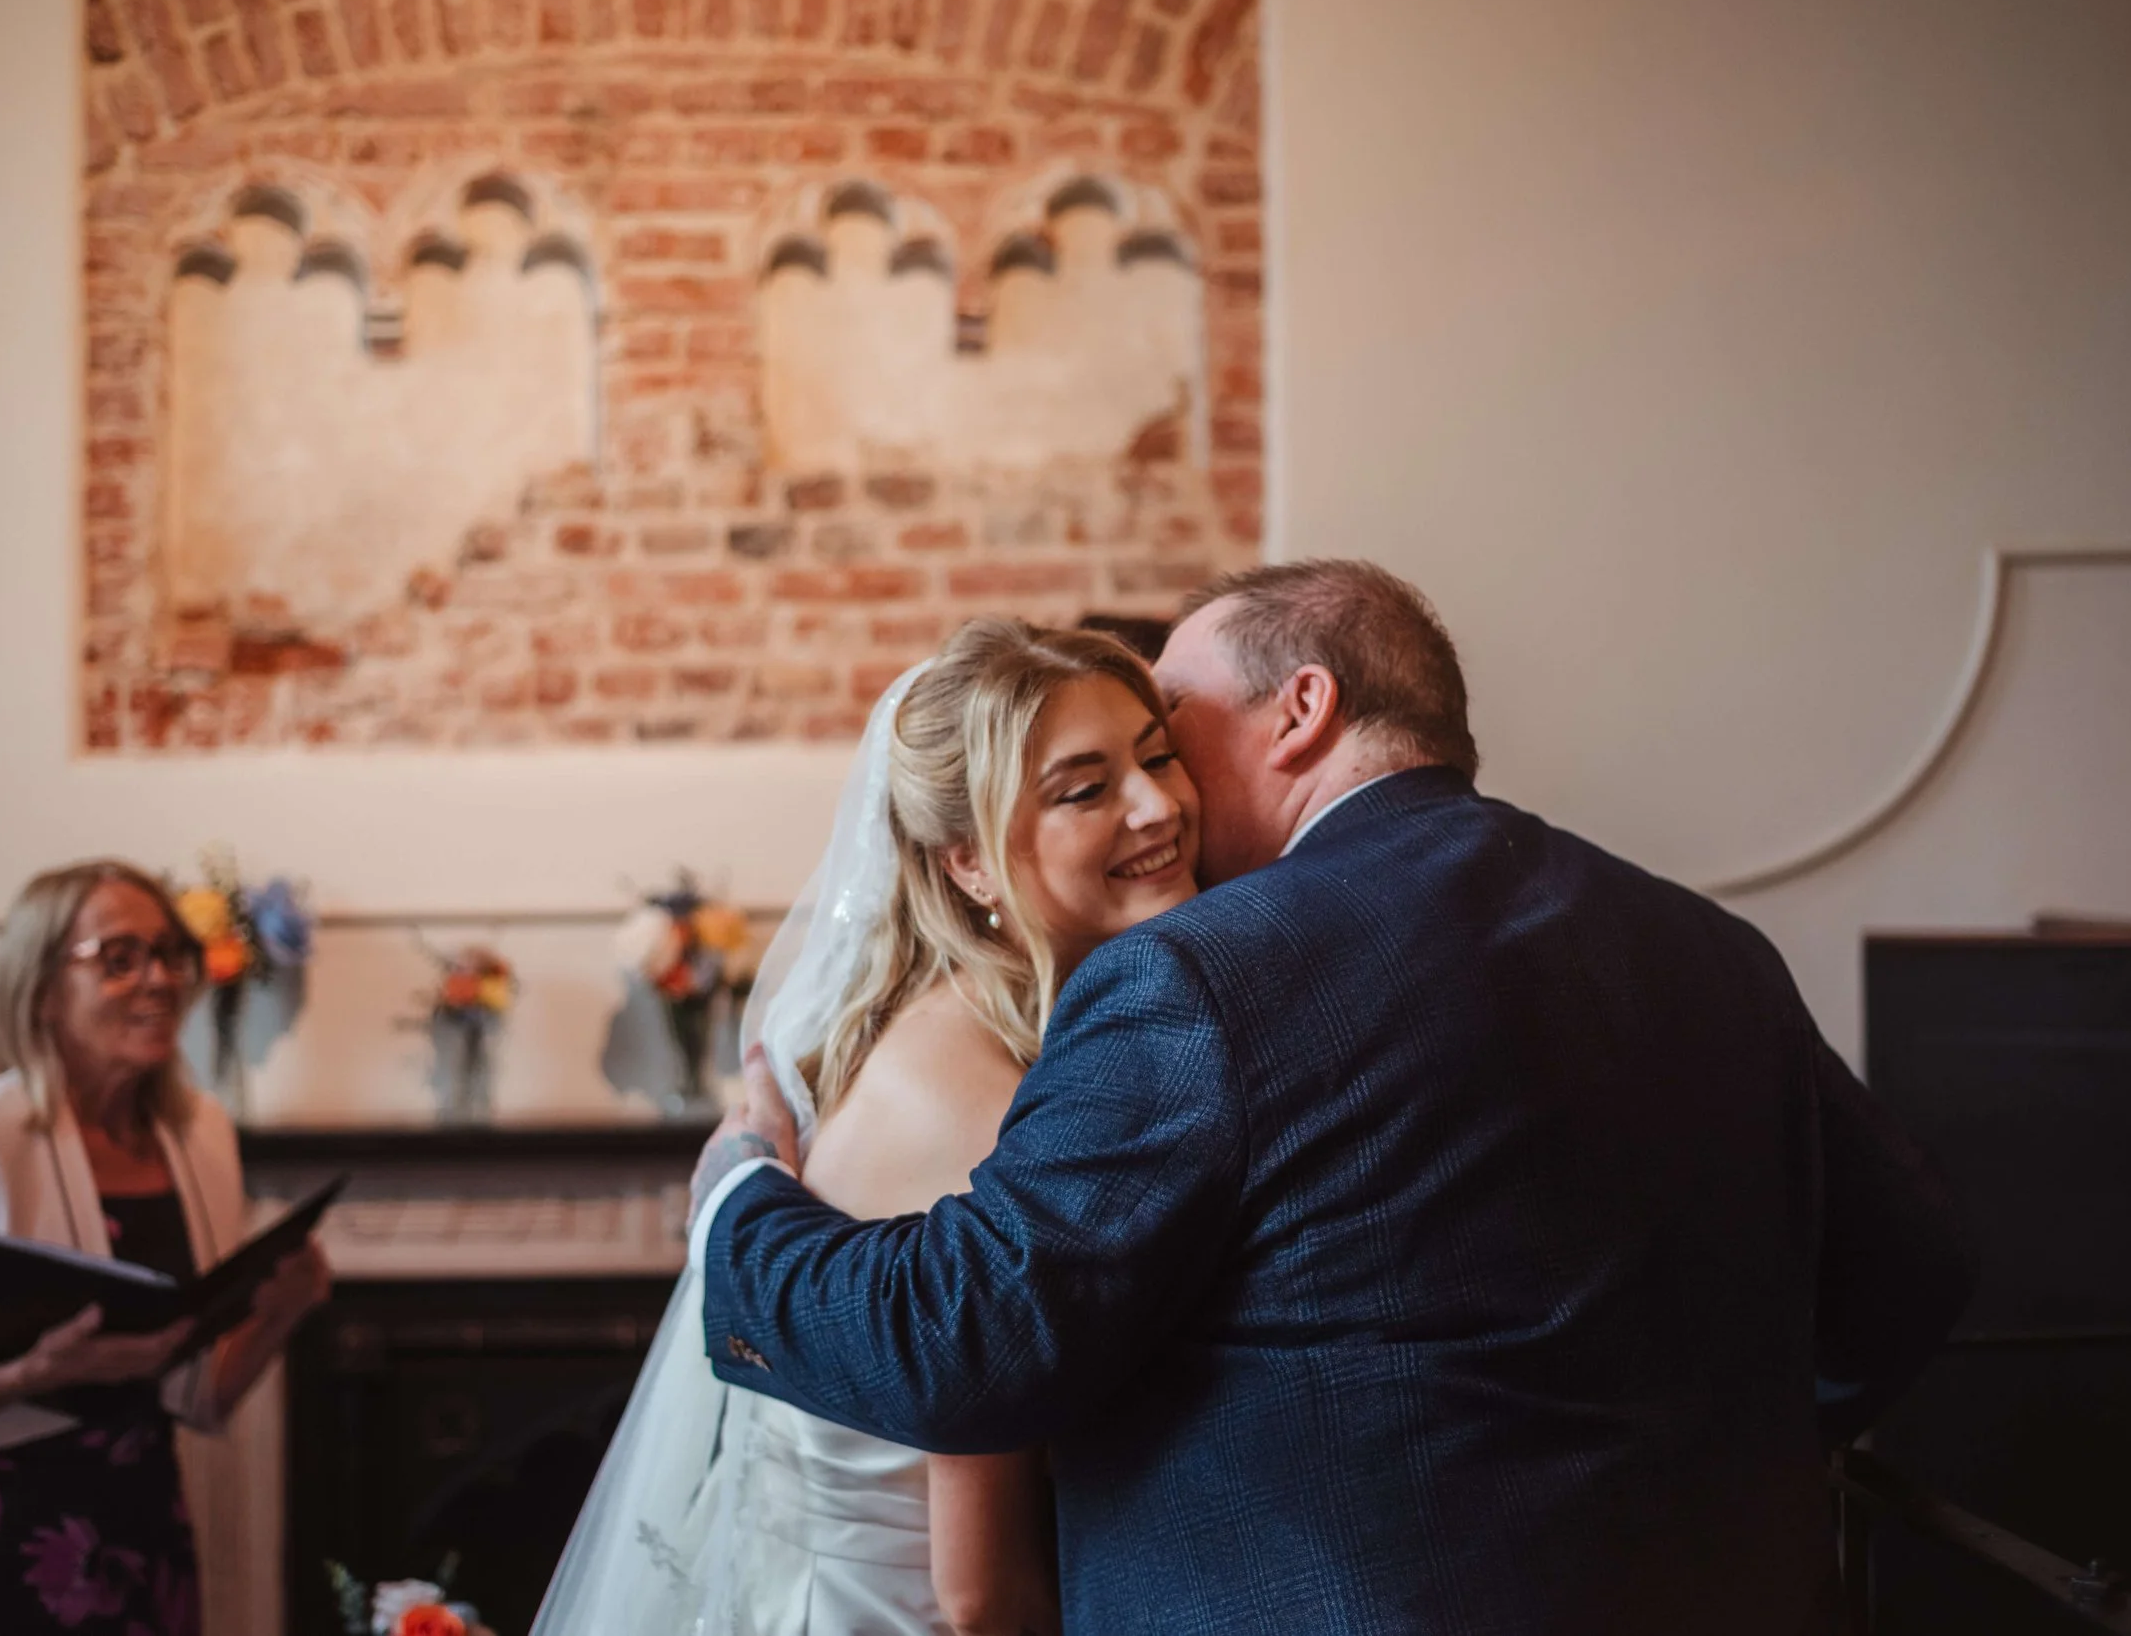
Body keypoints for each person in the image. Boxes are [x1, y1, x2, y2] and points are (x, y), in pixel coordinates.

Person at [691, 559, 1979, 1635]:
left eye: (1172, 727)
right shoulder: (1703, 943)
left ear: (1300, 709)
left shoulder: (1198, 974)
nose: (1167, 795)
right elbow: (1912, 1269)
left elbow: (971, 1335)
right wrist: (1712, 1466)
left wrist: (739, 1202)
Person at [532, 620, 1202, 1636]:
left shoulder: (994, 1025)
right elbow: (980, 1592)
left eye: (1157, 758)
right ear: (969, 862)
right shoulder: (970, 1090)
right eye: (1085, 787)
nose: (1158, 806)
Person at [0, 859, 332, 1636]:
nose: (158, 978)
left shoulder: (200, 1133)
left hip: (137, 1516)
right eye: (118, 957)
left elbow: (200, 1399)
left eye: (168, 952)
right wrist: (30, 1374)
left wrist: (281, 1311)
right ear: (41, 989)